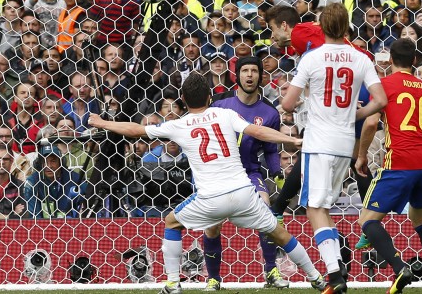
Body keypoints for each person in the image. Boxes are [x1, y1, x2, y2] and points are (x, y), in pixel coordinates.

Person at [88, 72, 326, 294]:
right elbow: (258, 131)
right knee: (278, 232)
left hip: (211, 198)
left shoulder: (178, 125)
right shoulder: (226, 114)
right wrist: (292, 139)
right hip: (244, 193)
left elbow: (135, 130)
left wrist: (102, 123)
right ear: (210, 97)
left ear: (182, 99)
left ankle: (173, 282)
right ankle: (317, 278)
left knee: (172, 223)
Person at [281, 3, 387, 294]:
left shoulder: (311, 58)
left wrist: (305, 99)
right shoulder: (360, 58)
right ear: (347, 27)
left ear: (322, 26)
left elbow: (288, 104)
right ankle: (337, 269)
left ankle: (333, 273)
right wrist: (354, 114)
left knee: (313, 207)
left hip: (319, 141)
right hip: (344, 144)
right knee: (323, 206)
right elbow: (379, 100)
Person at [355, 38, 422, 294]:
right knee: (420, 220)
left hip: (398, 161)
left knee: (367, 219)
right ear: (415, 61)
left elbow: (369, 124)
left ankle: (400, 267)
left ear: (389, 62)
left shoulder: (384, 86)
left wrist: (362, 155)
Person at [202, 57, 288, 290]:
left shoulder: (269, 113)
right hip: (219, 172)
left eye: (254, 71)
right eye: (245, 71)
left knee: (265, 211)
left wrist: (277, 172)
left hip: (249, 171)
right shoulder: (220, 104)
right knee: (213, 225)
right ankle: (213, 279)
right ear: (237, 75)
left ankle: (271, 271)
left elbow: (270, 149)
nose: (249, 75)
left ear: (261, 76)